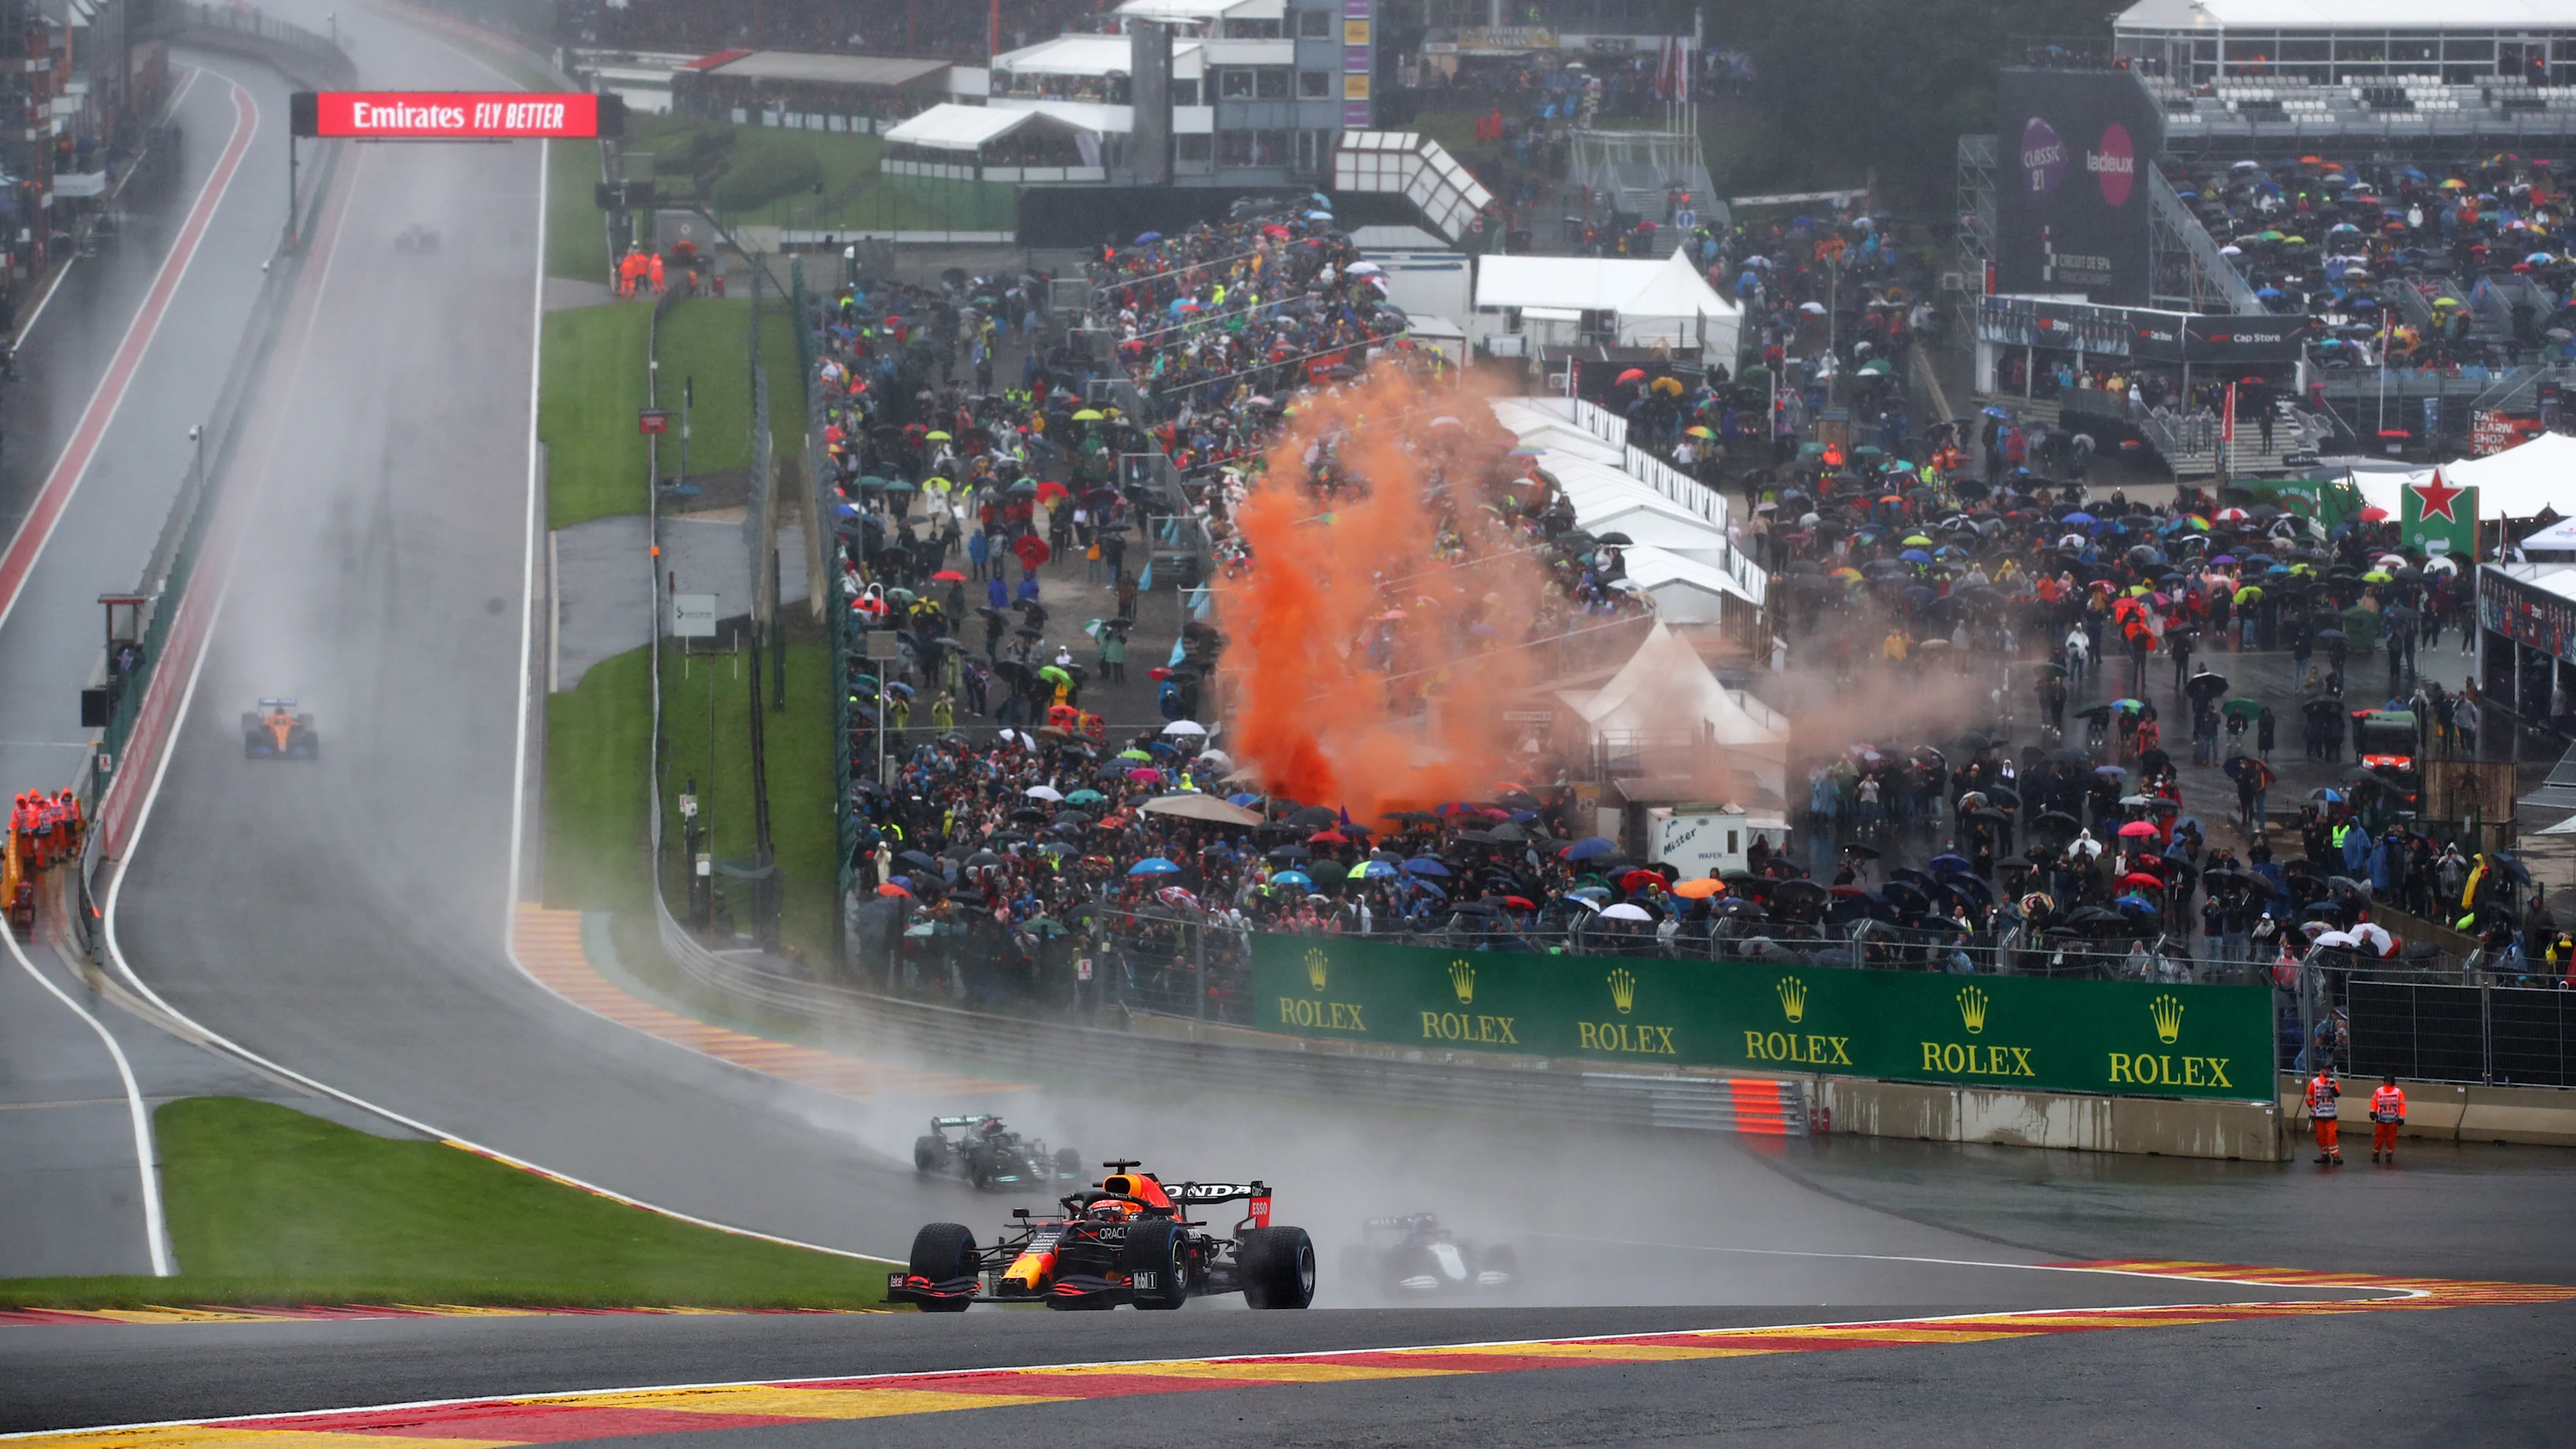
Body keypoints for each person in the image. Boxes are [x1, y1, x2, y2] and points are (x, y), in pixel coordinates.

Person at [2304, 1066, 2344, 1166]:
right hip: (2319, 1114)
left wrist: (2333, 1086)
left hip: (2330, 1114)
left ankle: (2335, 1155)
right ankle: (2325, 1155)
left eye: (2329, 1070)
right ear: (2321, 1070)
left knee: (2332, 1135)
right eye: (2325, 1069)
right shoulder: (2314, 1082)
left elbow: (2337, 1094)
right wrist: (2313, 1107)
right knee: (2320, 1136)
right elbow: (2309, 1097)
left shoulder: (2333, 1082)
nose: (2327, 1071)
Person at [2369, 1075, 2407, 1164]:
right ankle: (2376, 1154)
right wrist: (2372, 1112)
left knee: (2391, 1139)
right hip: (2381, 1119)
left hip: (2393, 1120)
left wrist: (2401, 1117)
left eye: (2389, 1081)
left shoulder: (2398, 1092)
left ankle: (2389, 1155)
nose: (2387, 1083)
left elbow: (2402, 1105)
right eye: (2386, 1081)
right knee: (2379, 1138)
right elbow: (2374, 1102)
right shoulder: (2379, 1091)